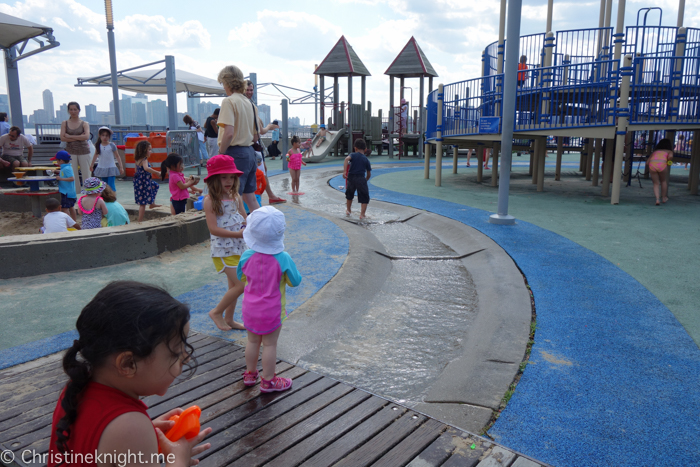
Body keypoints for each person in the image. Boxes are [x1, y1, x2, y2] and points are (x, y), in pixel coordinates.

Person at [47, 281, 212, 467]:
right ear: (127, 364)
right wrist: (178, 462)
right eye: (175, 352)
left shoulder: (76, 386)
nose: (187, 358)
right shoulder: (131, 428)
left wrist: (146, 435)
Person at [239, 206, 302, 392]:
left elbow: (242, 276)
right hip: (272, 311)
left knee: (252, 342)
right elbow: (295, 281)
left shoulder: (246, 256)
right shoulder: (283, 258)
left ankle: (250, 374)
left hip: (249, 309)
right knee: (269, 344)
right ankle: (268, 381)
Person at [204, 155, 247, 332]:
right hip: (223, 250)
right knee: (242, 284)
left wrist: (247, 227)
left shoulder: (236, 197)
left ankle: (229, 319)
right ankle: (216, 312)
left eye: (231, 177)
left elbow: (245, 218)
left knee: (233, 286)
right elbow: (213, 229)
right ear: (214, 179)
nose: (228, 181)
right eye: (223, 177)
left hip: (238, 247)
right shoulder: (210, 201)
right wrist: (237, 234)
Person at [244, 80, 286, 205]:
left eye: (251, 90)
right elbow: (261, 130)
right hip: (251, 146)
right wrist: (269, 127)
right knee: (258, 174)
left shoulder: (248, 106)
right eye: (248, 89)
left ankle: (267, 196)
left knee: (262, 171)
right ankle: (258, 200)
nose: (250, 92)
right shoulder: (248, 106)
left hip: (254, 147)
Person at [60, 102, 92, 195]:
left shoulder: (84, 123)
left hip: (84, 150)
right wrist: (78, 137)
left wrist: (69, 136)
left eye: (75, 109)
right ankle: (75, 193)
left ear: (79, 110)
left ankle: (89, 193)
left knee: (86, 173)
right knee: (72, 173)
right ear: (68, 111)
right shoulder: (65, 123)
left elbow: (86, 137)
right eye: (71, 109)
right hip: (70, 151)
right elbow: (62, 137)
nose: (73, 111)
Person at [133, 140, 162, 222]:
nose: (150, 151)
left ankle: (152, 203)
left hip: (140, 181)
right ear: (144, 151)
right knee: (143, 203)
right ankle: (140, 220)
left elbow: (136, 170)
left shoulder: (137, 159)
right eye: (149, 150)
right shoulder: (144, 160)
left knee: (155, 185)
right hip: (144, 182)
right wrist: (156, 172)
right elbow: (146, 168)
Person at [343, 139, 372, 219]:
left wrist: (345, 171)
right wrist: (365, 180)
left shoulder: (353, 155)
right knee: (364, 197)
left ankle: (348, 210)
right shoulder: (366, 159)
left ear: (355, 148)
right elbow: (369, 174)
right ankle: (362, 214)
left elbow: (346, 159)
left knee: (349, 194)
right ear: (365, 149)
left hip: (351, 177)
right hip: (361, 178)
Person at [90, 126, 123, 192]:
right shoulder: (98, 145)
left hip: (111, 167)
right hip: (102, 168)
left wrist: (121, 167)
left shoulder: (112, 145)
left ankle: (113, 198)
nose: (105, 137)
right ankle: (106, 199)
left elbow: (117, 156)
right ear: (99, 135)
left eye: (107, 136)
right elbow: (95, 155)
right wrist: (91, 165)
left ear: (109, 136)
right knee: (104, 186)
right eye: (103, 135)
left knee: (111, 185)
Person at [51, 150, 78, 220]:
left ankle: (68, 222)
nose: (56, 162)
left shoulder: (66, 168)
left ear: (61, 161)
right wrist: (56, 171)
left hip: (67, 192)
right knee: (71, 207)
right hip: (70, 192)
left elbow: (72, 178)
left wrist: (60, 178)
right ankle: (74, 221)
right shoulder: (66, 167)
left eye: (57, 160)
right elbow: (64, 173)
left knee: (65, 208)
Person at [647, 138, 673, 205]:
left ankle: (657, 199)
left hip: (652, 165)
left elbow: (647, 162)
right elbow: (670, 157)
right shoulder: (669, 151)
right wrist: (668, 161)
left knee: (656, 183)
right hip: (662, 165)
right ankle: (664, 197)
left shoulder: (655, 152)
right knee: (663, 181)